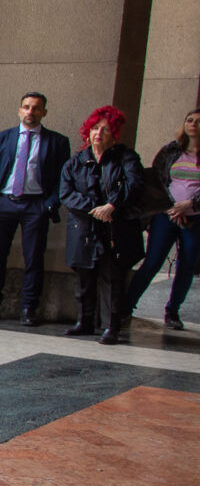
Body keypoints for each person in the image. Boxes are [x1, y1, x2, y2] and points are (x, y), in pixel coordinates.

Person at [0, 92, 70, 325]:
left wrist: (49, 204)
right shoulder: (2, 138)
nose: (30, 112)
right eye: (26, 107)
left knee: (34, 257)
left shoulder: (57, 142)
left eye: (36, 108)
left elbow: (63, 178)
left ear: (44, 112)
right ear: (19, 110)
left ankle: (29, 308)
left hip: (36, 205)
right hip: (3, 203)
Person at [59, 104, 147, 344]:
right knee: (84, 277)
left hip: (114, 227)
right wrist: (95, 209)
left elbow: (134, 185)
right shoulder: (76, 162)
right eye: (95, 128)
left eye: (105, 130)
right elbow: (66, 193)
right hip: (84, 227)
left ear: (114, 134)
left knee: (112, 277)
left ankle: (111, 326)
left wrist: (111, 206)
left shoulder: (126, 157)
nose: (98, 133)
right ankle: (84, 321)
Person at [126, 108, 200, 330]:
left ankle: (172, 311)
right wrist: (172, 207)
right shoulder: (171, 151)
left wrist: (190, 205)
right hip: (166, 215)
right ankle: (126, 307)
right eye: (189, 120)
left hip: (195, 218)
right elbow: (156, 181)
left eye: (198, 121)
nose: (193, 124)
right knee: (152, 261)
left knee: (187, 264)